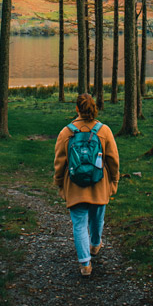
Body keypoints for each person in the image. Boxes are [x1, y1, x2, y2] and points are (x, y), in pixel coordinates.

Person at [54, 93, 119, 277]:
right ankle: (95, 245)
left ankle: (85, 264)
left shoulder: (66, 132)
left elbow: (60, 162)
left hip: (75, 187)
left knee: (79, 224)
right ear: (95, 108)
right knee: (97, 219)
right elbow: (113, 160)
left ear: (77, 109)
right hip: (99, 185)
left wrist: (59, 183)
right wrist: (114, 180)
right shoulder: (104, 131)